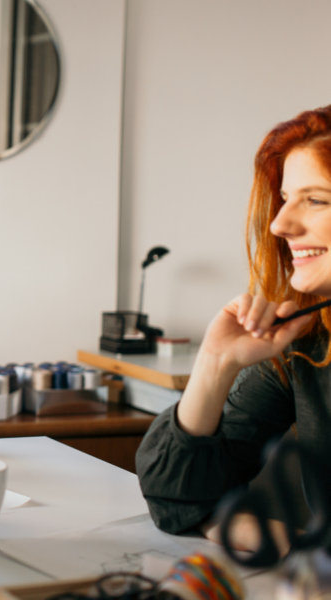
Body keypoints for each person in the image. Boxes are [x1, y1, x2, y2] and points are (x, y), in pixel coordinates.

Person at [136, 105, 331, 553]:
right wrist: (216, 363)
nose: (280, 224)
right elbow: (177, 499)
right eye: (284, 199)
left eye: (315, 199)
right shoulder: (305, 342)